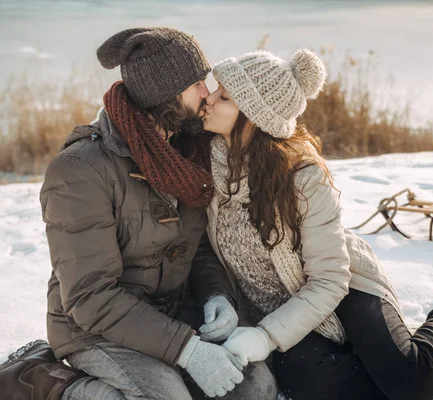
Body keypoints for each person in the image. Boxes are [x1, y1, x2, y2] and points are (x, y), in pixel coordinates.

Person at [199, 48, 433, 400]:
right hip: (281, 310)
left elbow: (330, 279)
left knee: (410, 385)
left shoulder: (302, 177)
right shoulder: (209, 164)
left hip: (344, 289)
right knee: (305, 381)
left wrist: (265, 337)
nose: (208, 99)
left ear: (254, 114)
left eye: (224, 96)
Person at [0, 27, 276, 400]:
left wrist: (217, 297)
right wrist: (187, 351)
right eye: (196, 82)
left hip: (171, 313)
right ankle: (50, 385)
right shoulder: (79, 170)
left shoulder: (189, 152)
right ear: (164, 92)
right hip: (94, 327)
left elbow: (199, 249)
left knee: (255, 388)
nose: (206, 93)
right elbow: (91, 299)